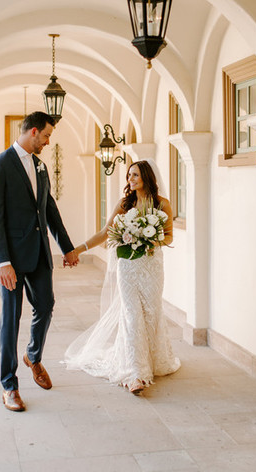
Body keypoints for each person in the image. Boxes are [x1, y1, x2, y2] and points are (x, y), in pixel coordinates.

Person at [0, 111, 78, 411]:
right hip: (9, 259)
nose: (49, 143)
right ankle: (9, 385)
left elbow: (49, 210)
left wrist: (67, 247)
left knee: (46, 306)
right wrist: (2, 262)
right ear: (34, 131)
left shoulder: (41, 167)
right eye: (47, 136)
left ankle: (33, 356)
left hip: (38, 253)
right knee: (11, 319)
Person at [63, 160, 180, 394]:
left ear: (146, 176)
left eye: (135, 175)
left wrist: (147, 240)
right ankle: (135, 372)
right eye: (129, 175)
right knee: (131, 313)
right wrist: (78, 249)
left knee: (151, 311)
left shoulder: (162, 204)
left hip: (151, 265)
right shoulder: (125, 204)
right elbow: (106, 233)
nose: (131, 179)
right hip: (127, 267)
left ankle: (153, 360)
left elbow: (168, 237)